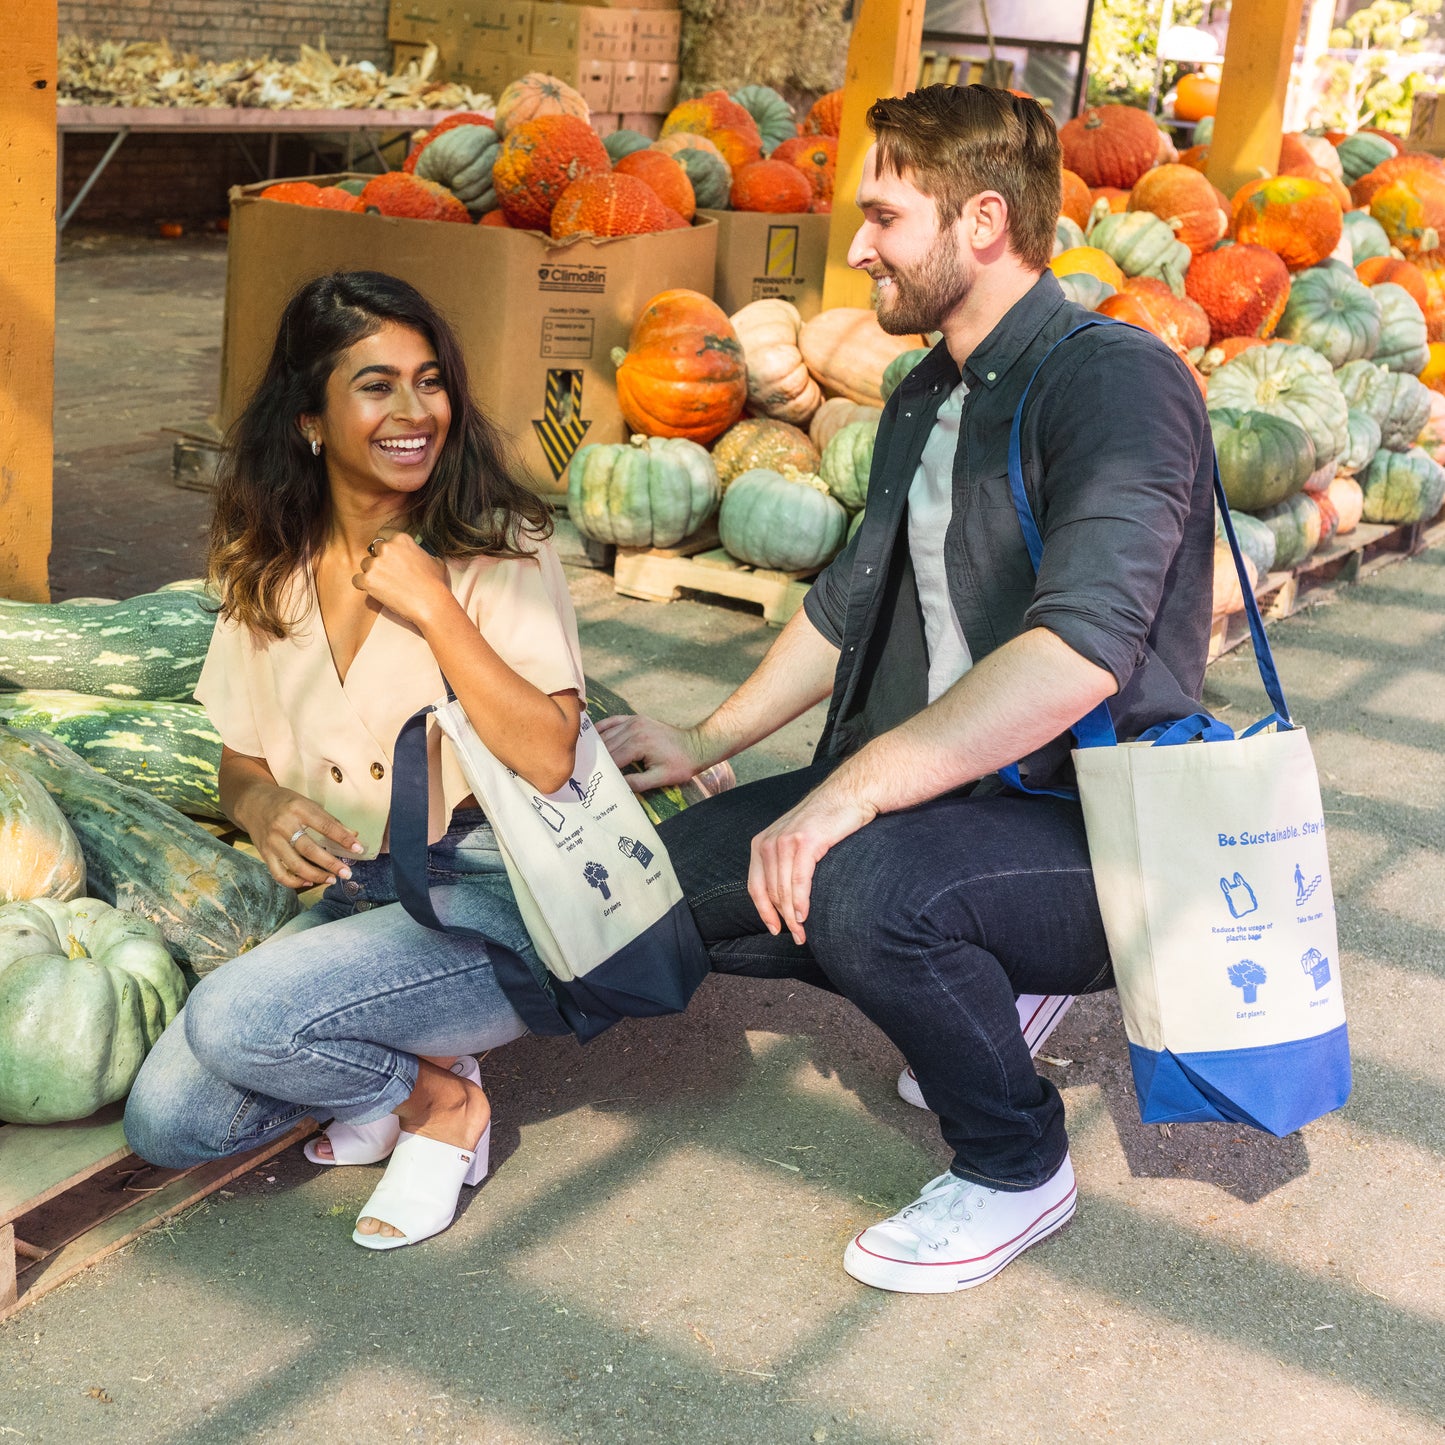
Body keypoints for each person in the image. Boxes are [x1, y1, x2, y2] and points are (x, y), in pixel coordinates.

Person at [598, 86, 1214, 1293]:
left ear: (981, 221)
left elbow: (1079, 649)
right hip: (943, 801)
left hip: (1092, 827)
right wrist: (705, 737)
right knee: (664, 892)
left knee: (858, 886)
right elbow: (846, 598)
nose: (859, 244)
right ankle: (982, 978)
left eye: (883, 215)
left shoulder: (1113, 384)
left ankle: (1014, 1163)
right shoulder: (928, 388)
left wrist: (845, 796)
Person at [124, 270, 588, 1252]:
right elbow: (239, 762)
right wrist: (262, 809)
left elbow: (550, 757)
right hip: (355, 895)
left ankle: (440, 1107)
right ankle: (399, 1064)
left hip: (493, 898)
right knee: (170, 1121)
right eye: (377, 386)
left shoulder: (496, 542)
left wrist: (435, 605)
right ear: (310, 420)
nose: (416, 411)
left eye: (430, 380)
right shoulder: (270, 560)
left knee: (235, 1016)